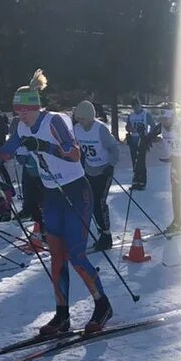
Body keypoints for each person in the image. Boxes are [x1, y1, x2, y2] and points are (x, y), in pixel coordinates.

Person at [0, 70, 113, 335]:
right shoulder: (22, 127)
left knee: (77, 255)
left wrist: (44, 147)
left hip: (75, 191)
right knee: (56, 258)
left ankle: (102, 305)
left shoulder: (54, 121)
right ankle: (62, 315)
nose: (20, 115)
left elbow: (73, 155)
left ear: (35, 107)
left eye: (25, 110)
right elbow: (7, 151)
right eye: (17, 110)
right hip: (52, 194)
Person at [73, 100, 120, 251]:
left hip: (104, 170)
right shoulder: (77, 129)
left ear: (90, 117)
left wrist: (111, 165)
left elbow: (114, 148)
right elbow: (78, 149)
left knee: (99, 203)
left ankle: (107, 235)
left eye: (83, 118)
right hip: (89, 169)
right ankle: (101, 230)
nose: (81, 121)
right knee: (90, 203)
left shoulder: (100, 129)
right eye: (78, 118)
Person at [124, 99, 155, 190]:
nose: (135, 108)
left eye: (136, 106)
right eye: (133, 107)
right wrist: (129, 128)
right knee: (134, 160)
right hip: (133, 140)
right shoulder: (131, 115)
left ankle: (142, 180)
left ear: (139, 105)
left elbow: (153, 126)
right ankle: (136, 179)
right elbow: (127, 126)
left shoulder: (146, 115)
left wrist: (149, 136)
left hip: (142, 140)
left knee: (141, 160)